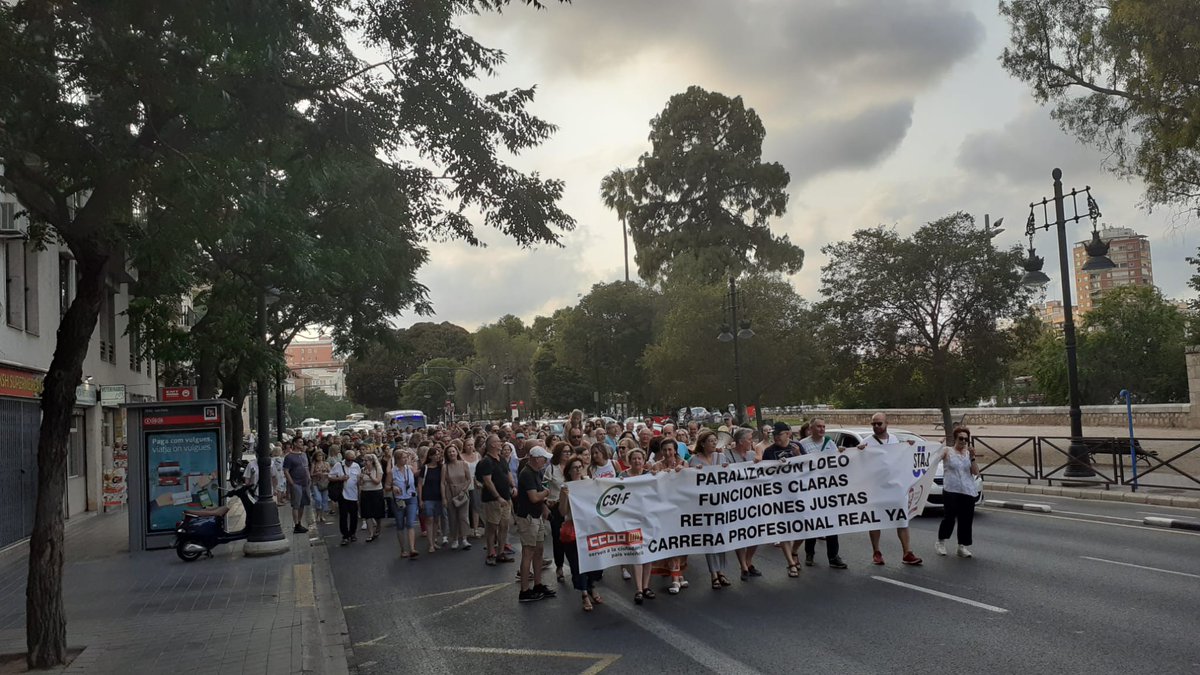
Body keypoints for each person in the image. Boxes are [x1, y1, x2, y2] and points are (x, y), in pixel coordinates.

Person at [857, 412, 922, 566]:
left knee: (902, 519)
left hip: (896, 487)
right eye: (874, 424)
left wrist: (910, 447)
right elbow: (856, 464)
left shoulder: (894, 440)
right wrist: (857, 452)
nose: (876, 426)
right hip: (876, 488)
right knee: (875, 520)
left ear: (887, 423)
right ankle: (877, 552)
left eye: (879, 423)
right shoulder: (866, 443)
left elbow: (902, 457)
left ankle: (907, 552)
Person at [797, 419, 848, 569]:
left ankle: (833, 556)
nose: (822, 429)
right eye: (819, 426)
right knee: (813, 523)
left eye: (824, 426)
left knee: (831, 523)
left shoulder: (829, 443)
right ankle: (809, 554)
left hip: (828, 490)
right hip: (811, 490)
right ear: (811, 428)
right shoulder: (803, 444)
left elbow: (836, 462)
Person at [689, 430, 734, 588]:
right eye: (711, 441)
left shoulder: (721, 457)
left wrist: (727, 469)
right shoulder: (694, 460)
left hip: (721, 505)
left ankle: (722, 571)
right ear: (702, 443)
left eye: (715, 441)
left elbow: (730, 477)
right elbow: (689, 483)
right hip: (705, 507)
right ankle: (713, 574)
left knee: (721, 538)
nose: (714, 443)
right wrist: (695, 473)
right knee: (710, 539)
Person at [560, 457, 605, 611]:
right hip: (574, 530)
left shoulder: (589, 483)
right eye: (575, 467)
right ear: (569, 471)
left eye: (580, 466)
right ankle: (584, 593)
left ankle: (591, 585)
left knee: (595, 560)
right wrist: (565, 496)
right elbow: (562, 511)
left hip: (590, 528)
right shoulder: (566, 487)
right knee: (578, 563)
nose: (578, 469)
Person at [515, 447, 556, 603]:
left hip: (536, 516)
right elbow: (534, 497)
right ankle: (524, 590)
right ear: (534, 458)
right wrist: (547, 493)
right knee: (528, 552)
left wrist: (545, 505)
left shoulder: (537, 472)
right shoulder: (526, 474)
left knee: (538, 550)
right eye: (543, 458)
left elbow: (539, 495)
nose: (545, 461)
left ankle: (538, 585)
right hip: (528, 518)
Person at [614, 448, 654, 603]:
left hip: (648, 520)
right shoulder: (622, 477)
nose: (637, 461)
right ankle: (638, 589)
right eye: (634, 458)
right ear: (629, 461)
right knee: (637, 552)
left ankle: (646, 586)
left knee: (649, 553)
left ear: (644, 460)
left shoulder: (649, 476)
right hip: (631, 521)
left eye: (640, 458)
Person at [725, 428, 764, 579]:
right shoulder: (727, 455)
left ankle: (749, 560)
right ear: (741, 442)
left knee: (755, 533)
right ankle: (743, 565)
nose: (752, 442)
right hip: (736, 501)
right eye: (749, 439)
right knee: (740, 533)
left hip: (753, 500)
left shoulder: (753, 455)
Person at [937, 426, 980, 558]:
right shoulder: (947, 451)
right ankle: (941, 542)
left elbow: (976, 472)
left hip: (967, 490)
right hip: (951, 489)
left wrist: (972, 458)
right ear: (955, 438)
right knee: (949, 518)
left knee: (966, 520)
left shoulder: (968, 453)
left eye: (966, 439)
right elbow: (933, 459)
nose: (963, 441)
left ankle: (962, 546)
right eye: (961, 438)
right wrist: (938, 446)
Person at [477, 434, 515, 566]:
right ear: (492, 445)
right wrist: (497, 497)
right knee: (492, 526)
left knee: (504, 525)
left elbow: (508, 473)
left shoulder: (502, 459)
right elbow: (487, 481)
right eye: (498, 442)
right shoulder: (486, 462)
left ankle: (501, 552)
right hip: (493, 500)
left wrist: (513, 486)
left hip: (506, 497)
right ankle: (490, 553)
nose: (501, 443)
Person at [546, 442, 572, 584]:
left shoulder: (574, 467)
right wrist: (546, 499)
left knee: (573, 537)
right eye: (564, 452)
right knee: (558, 538)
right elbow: (544, 485)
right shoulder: (551, 468)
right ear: (558, 454)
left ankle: (576, 566)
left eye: (569, 451)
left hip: (572, 507)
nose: (567, 454)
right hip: (556, 506)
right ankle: (560, 566)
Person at [389, 448, 419, 559]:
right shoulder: (392, 472)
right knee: (400, 525)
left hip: (411, 498)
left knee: (410, 523)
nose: (405, 460)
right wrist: (393, 487)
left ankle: (412, 548)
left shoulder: (410, 468)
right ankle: (403, 549)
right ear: (397, 459)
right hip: (399, 500)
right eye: (403, 458)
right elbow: (386, 486)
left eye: (406, 458)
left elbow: (418, 474)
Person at [441, 444, 472, 550]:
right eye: (449, 452)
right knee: (452, 517)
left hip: (462, 493)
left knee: (463, 517)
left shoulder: (463, 464)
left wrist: (463, 491)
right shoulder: (445, 466)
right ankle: (454, 539)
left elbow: (469, 479)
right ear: (447, 455)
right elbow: (442, 483)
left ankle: (464, 539)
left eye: (453, 451)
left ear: (457, 452)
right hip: (450, 492)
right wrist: (444, 498)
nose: (452, 453)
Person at [329, 449, 361, 545]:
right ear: (345, 458)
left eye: (352, 460)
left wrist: (360, 494)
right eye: (348, 460)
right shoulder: (339, 465)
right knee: (343, 516)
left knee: (354, 516)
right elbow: (330, 476)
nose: (350, 462)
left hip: (354, 494)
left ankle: (352, 533)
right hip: (342, 494)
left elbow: (359, 481)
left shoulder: (356, 466)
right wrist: (340, 478)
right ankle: (345, 535)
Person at [282, 442, 312, 533]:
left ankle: (299, 522)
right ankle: (296, 524)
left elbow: (306, 467)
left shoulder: (303, 454)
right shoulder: (289, 457)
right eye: (299, 442)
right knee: (296, 505)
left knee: (303, 504)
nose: (301, 443)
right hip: (296, 483)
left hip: (305, 482)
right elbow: (286, 470)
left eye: (302, 442)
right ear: (295, 444)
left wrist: (309, 477)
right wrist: (292, 482)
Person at [359, 453, 386, 543]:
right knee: (367, 514)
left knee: (377, 514)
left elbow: (377, 481)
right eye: (364, 460)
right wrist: (361, 478)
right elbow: (360, 483)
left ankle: (378, 526)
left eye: (366, 460)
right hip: (365, 492)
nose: (364, 462)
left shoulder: (377, 469)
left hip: (376, 492)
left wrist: (370, 476)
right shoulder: (363, 469)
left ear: (371, 461)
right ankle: (370, 534)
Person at [310, 451, 331, 524]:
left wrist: (326, 473)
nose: (320, 457)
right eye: (318, 456)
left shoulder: (326, 464)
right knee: (318, 499)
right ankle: (317, 515)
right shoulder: (314, 464)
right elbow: (311, 474)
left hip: (325, 483)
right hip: (316, 483)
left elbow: (330, 472)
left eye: (321, 455)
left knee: (324, 500)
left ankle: (322, 515)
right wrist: (317, 473)